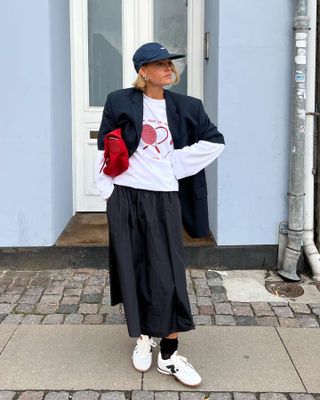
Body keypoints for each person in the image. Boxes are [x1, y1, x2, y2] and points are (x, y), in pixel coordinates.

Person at [95, 42, 225, 387]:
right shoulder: (120, 101)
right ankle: (144, 338)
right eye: (160, 63)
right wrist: (108, 190)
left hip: (164, 198)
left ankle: (169, 353)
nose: (168, 68)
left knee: (166, 272)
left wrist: (173, 165)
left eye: (170, 63)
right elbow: (104, 145)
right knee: (133, 265)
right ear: (143, 71)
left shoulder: (187, 106)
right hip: (125, 196)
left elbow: (215, 142)